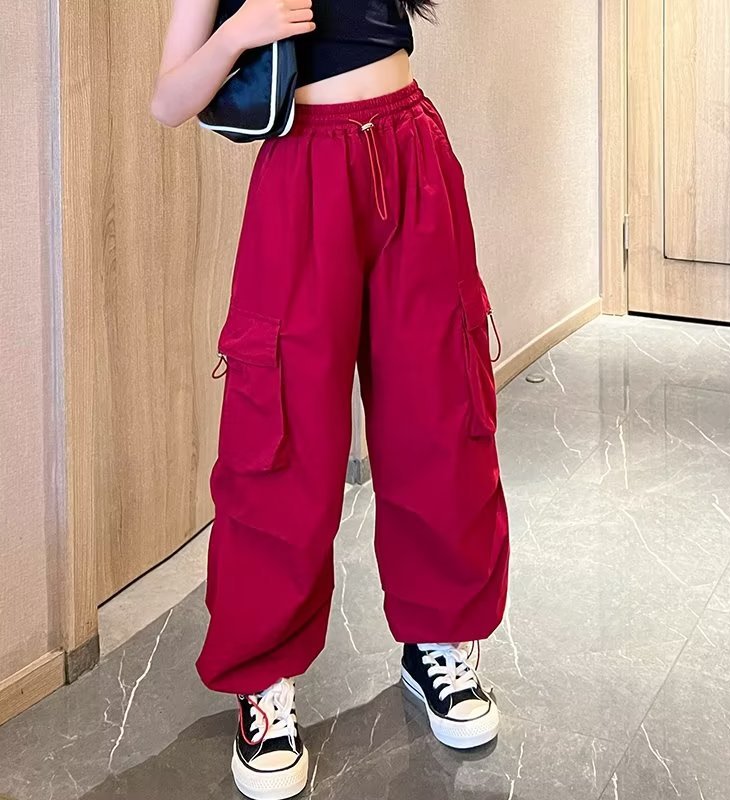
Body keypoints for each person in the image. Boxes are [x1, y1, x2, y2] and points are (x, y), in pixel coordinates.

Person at [151, 1, 509, 797]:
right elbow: (169, 100)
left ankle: (438, 643)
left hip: (412, 150)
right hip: (302, 173)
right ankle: (262, 684)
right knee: (280, 437)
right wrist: (241, 31)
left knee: (439, 415)